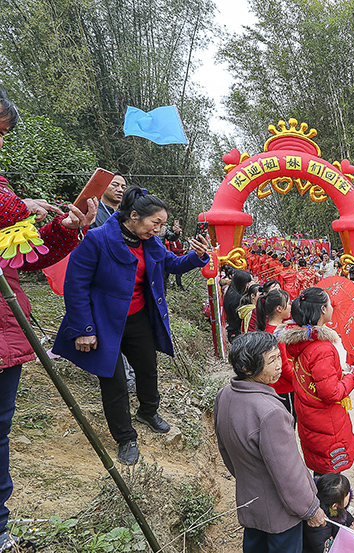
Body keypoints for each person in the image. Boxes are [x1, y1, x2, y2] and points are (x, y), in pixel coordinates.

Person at [0, 88, 98, 552]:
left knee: (1, 430)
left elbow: (24, 258)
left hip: (5, 328)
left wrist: (66, 227)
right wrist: (22, 208)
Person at [52, 186, 210, 465]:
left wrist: (197, 257)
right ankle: (125, 437)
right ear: (134, 215)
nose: (159, 230)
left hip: (137, 317)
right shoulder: (98, 240)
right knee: (113, 383)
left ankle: (148, 412)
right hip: (103, 321)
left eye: (162, 225)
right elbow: (75, 286)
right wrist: (83, 329)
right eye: (155, 223)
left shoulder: (150, 243)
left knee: (148, 367)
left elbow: (171, 265)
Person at [214, 332, 326, 553]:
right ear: (248, 368)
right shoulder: (270, 412)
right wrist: (310, 509)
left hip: (251, 504)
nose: (279, 365)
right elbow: (289, 473)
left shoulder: (224, 395)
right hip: (281, 514)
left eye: (278, 357)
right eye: (272, 360)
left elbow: (225, 451)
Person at [280, 288, 354, 474]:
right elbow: (330, 393)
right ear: (323, 310)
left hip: (313, 419)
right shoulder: (321, 349)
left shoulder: (302, 343)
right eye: (330, 303)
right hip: (327, 423)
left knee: (322, 468)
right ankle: (331, 503)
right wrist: (353, 377)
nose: (332, 306)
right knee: (331, 473)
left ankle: (322, 498)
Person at [256, 290, 296, 421]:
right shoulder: (278, 334)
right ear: (279, 308)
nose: (291, 306)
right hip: (284, 387)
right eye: (288, 303)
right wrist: (297, 380)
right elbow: (283, 365)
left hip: (275, 386)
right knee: (289, 422)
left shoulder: (268, 330)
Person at [303, 473, 354, 553]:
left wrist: (351, 522)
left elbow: (342, 513)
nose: (349, 494)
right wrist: (347, 535)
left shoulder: (328, 501)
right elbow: (327, 549)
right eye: (346, 494)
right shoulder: (320, 524)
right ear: (334, 506)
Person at [225, 269, 254, 343]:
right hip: (237, 333)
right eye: (247, 283)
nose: (248, 286)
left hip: (233, 330)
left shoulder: (231, 291)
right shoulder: (236, 299)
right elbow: (239, 318)